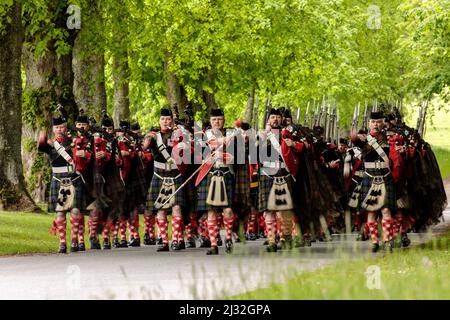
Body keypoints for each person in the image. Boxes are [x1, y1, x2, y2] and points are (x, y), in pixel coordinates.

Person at [38, 107, 91, 253]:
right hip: (58, 179)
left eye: (62, 126)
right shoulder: (50, 144)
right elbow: (41, 145)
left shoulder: (74, 141)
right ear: (53, 129)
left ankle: (74, 240)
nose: (60, 129)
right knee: (60, 213)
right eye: (57, 127)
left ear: (65, 127)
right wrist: (42, 136)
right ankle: (62, 243)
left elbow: (86, 151)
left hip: (73, 178)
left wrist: (82, 153)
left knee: (75, 212)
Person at [351, 111, 400, 252]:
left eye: (378, 122)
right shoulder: (364, 139)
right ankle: (374, 242)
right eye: (373, 122)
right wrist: (354, 137)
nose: (375, 124)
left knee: (386, 210)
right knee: (371, 212)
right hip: (369, 177)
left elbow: (394, 157)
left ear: (382, 123)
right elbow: (356, 142)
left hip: (385, 177)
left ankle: (387, 240)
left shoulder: (388, 139)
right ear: (369, 124)